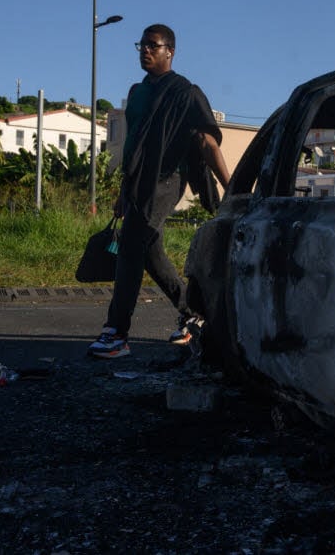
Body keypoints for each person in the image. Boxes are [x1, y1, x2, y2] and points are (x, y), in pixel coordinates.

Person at [88, 23, 230, 359]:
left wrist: (233, 186)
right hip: (138, 181)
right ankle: (194, 312)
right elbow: (134, 143)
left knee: (130, 249)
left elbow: (207, 142)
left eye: (153, 45)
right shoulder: (137, 93)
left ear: (171, 51)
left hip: (168, 178)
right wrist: (124, 189)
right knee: (150, 253)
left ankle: (116, 333)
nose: (145, 51)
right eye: (142, 45)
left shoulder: (185, 92)